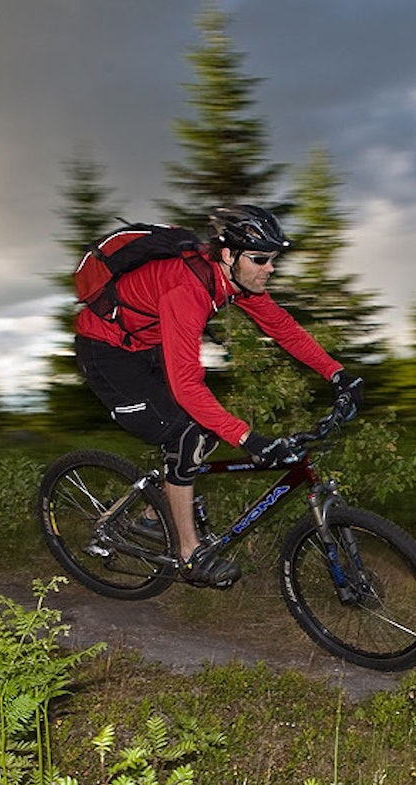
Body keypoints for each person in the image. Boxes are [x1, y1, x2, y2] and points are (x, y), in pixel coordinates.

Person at [73, 205, 363, 587]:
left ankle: (149, 517)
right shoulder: (187, 289)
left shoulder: (234, 281)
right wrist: (249, 438)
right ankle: (189, 554)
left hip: (147, 344)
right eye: (260, 260)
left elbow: (284, 328)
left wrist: (337, 373)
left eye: (272, 260)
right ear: (229, 255)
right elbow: (187, 387)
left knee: (204, 429)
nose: (269, 269)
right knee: (189, 433)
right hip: (106, 352)